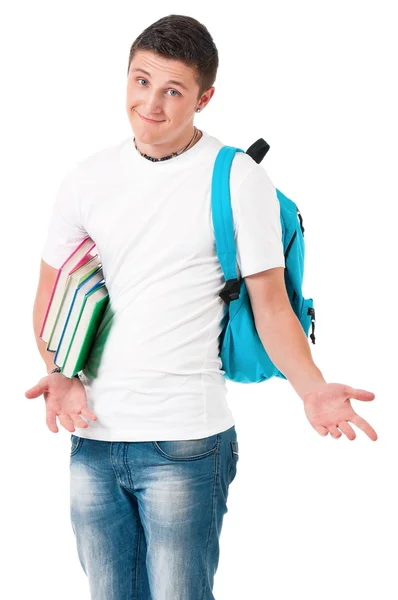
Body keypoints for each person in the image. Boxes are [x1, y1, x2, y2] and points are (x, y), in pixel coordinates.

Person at [25, 13, 377, 600]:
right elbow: (48, 293)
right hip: (93, 438)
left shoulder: (237, 178)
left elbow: (270, 305)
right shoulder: (86, 178)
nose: (151, 104)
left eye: (172, 90)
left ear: (204, 97)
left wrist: (311, 388)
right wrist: (61, 371)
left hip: (185, 441)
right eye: (141, 82)